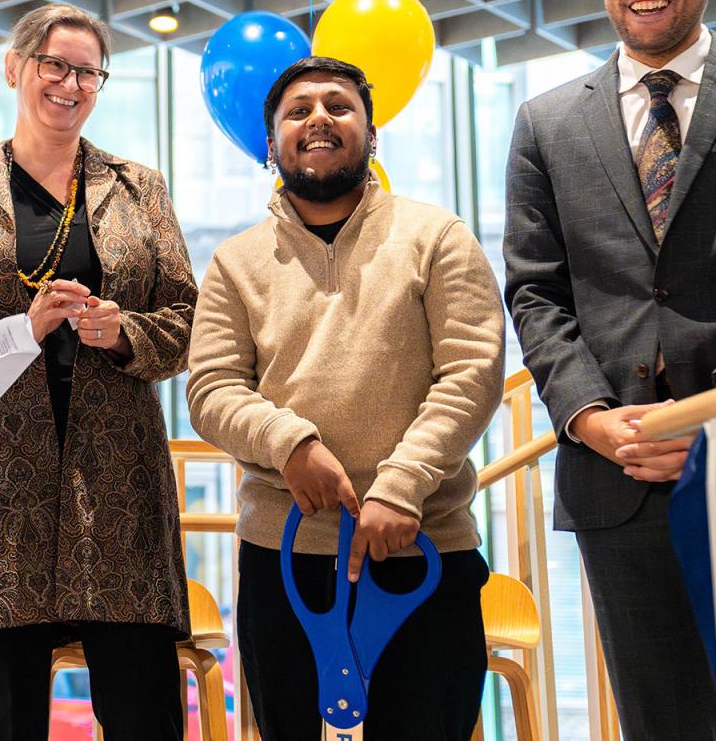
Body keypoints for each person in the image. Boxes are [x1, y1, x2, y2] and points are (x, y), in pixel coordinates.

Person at [504, 0, 716, 740]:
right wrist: (588, 416)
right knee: (660, 722)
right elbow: (536, 290)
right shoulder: (546, 122)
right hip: (612, 474)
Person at [0, 3, 199, 740]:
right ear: (16, 68)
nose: (70, 83)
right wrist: (17, 332)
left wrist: (122, 330)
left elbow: (188, 318)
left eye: (87, 71)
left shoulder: (140, 190)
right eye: (54, 65)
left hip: (120, 486)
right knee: (7, 719)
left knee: (143, 712)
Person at [186, 56, 504, 740]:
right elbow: (210, 389)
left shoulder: (437, 237)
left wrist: (401, 486)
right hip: (284, 560)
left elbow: (472, 373)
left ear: (372, 133)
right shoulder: (235, 262)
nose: (319, 118)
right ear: (271, 145)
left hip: (424, 549)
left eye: (339, 105)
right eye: (298, 111)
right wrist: (289, 444)